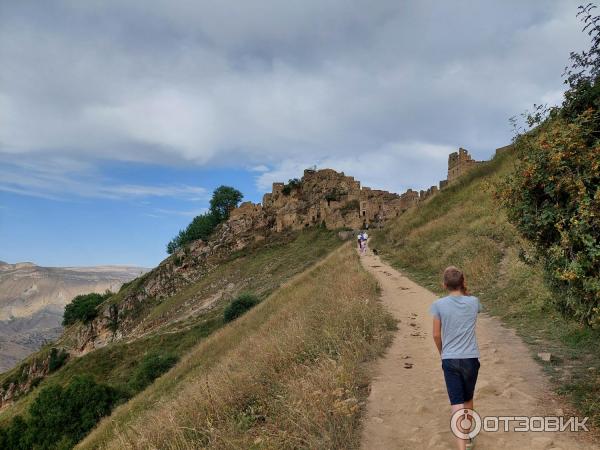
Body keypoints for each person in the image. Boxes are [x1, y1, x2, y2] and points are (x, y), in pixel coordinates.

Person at [430, 266, 482, 450]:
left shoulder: (438, 305)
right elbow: (470, 308)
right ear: (463, 282)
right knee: (468, 398)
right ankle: (469, 436)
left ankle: (462, 447)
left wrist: (443, 353)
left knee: (456, 404)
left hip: (450, 359)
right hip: (470, 358)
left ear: (444, 285)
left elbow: (436, 335)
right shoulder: (474, 302)